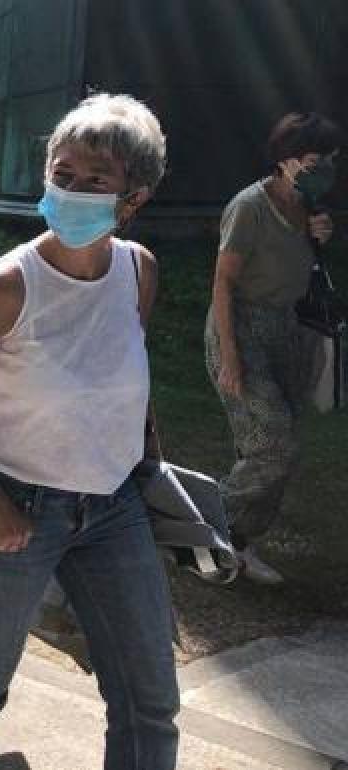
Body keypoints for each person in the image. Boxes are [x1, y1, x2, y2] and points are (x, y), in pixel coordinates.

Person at [0, 94, 179, 770]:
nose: (72, 190)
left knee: (150, 698)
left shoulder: (138, 271)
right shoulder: (6, 286)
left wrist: (153, 472)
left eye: (95, 181)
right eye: (63, 173)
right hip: (16, 507)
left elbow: (125, 378)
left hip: (113, 510)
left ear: (133, 198)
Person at [205, 112, 341, 584]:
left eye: (332, 159)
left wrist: (319, 238)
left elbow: (302, 272)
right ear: (285, 162)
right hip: (241, 327)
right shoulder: (249, 207)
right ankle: (202, 527)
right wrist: (229, 356)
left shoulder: (309, 208)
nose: (325, 168)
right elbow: (222, 283)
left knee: (270, 450)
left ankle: (239, 544)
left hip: (286, 330)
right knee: (275, 446)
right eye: (314, 160)